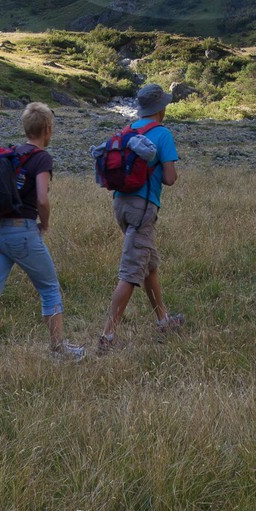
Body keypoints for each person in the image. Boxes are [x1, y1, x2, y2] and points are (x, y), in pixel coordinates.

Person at [0, 101, 85, 367]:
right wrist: (44, 223)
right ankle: (58, 349)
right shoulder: (42, 158)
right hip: (22, 232)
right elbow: (42, 198)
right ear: (48, 129)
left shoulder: (11, 154)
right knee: (50, 288)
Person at [98, 82, 183, 355]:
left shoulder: (127, 130)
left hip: (120, 204)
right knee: (132, 271)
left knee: (149, 265)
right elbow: (169, 178)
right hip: (143, 208)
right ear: (161, 108)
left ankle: (163, 320)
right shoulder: (162, 133)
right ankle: (107, 336)